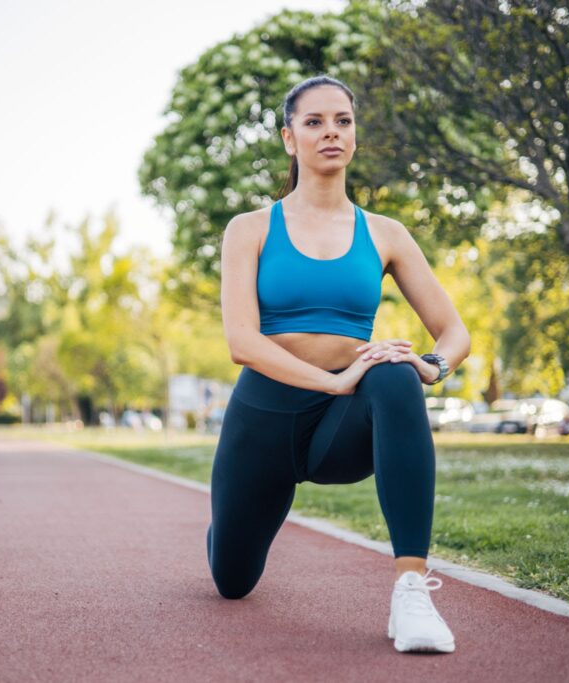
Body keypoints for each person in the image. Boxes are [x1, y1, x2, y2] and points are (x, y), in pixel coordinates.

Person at [208, 75, 471, 654]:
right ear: (289, 138)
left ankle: (411, 590)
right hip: (263, 423)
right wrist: (335, 380)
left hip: (340, 429)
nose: (331, 132)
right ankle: (227, 529)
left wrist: (431, 365)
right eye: (314, 122)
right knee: (232, 580)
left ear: (354, 134)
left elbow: (454, 333)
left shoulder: (386, 234)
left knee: (395, 373)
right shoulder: (249, 229)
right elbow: (242, 343)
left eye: (342, 121)